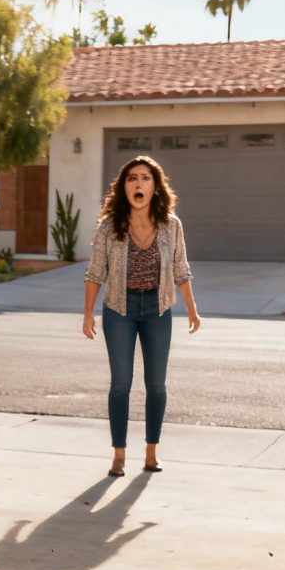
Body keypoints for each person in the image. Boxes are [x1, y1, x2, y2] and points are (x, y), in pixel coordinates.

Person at [81, 154, 200, 475]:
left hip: (157, 309)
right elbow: (95, 273)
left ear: (155, 187)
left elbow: (181, 269)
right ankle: (119, 454)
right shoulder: (109, 227)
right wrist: (88, 313)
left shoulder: (171, 226)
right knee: (121, 384)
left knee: (156, 385)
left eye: (146, 178)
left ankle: (151, 451)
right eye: (132, 178)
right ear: (124, 187)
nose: (138, 183)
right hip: (120, 308)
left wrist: (191, 308)